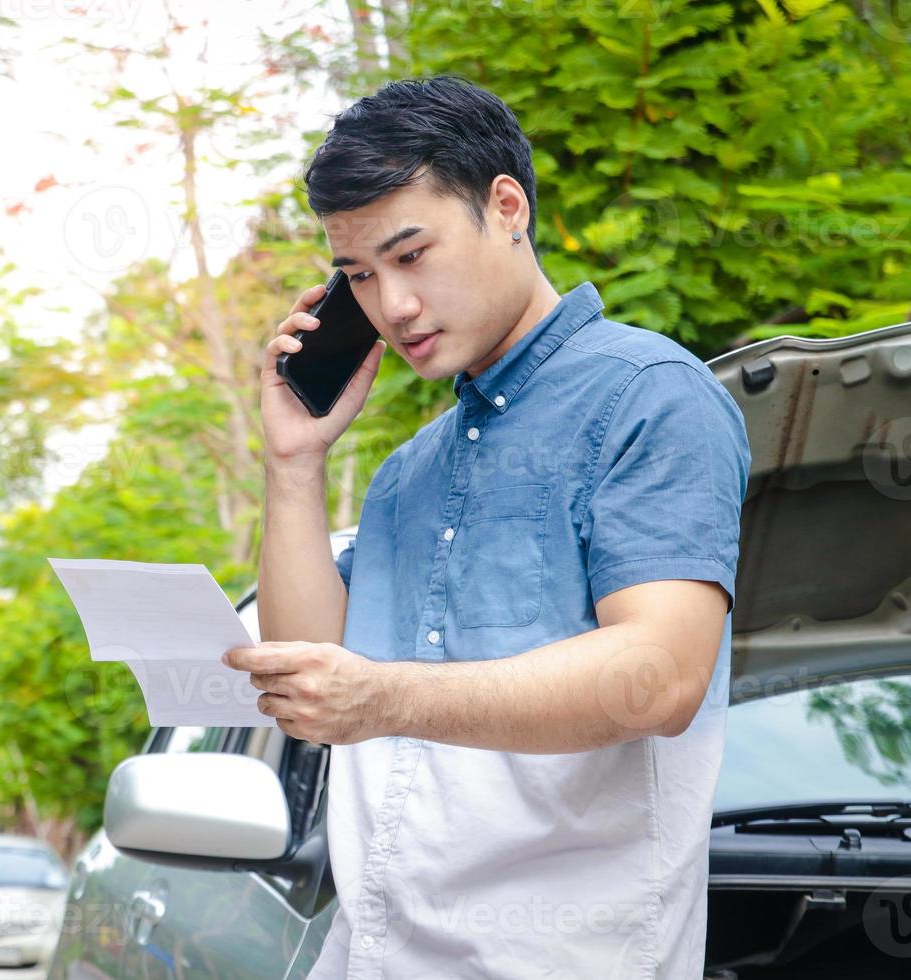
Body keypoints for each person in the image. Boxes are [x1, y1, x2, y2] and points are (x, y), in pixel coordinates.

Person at [220, 75, 752, 977]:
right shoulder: (405, 474)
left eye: (410, 254)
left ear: (506, 207)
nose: (391, 308)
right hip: (372, 954)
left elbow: (659, 678)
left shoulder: (651, 398)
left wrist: (387, 698)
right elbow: (317, 687)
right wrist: (293, 463)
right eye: (358, 276)